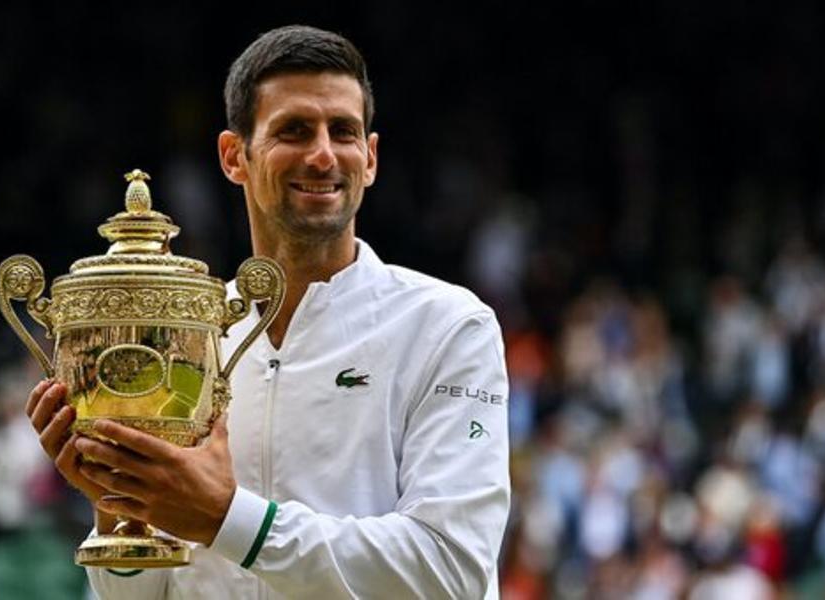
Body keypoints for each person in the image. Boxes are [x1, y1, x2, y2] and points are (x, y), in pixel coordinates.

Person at [25, 25, 511, 599]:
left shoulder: (448, 326)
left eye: (345, 132)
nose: (325, 153)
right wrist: (118, 509)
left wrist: (227, 519)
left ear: (371, 158)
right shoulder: (189, 333)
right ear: (235, 157)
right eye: (295, 130)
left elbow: (450, 571)